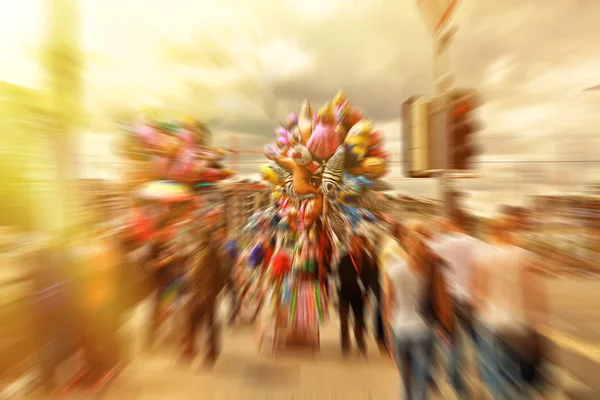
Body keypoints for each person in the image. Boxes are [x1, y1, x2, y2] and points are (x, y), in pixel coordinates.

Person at [472, 211, 548, 399]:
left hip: (491, 323)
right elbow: (535, 294)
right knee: (521, 379)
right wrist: (538, 321)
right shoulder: (524, 257)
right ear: (512, 232)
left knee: (499, 376)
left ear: (491, 232)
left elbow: (477, 294)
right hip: (519, 324)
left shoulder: (481, 256)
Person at [382, 221, 454, 400]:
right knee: (421, 383)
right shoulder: (432, 269)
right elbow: (442, 304)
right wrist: (447, 330)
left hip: (400, 330)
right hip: (423, 330)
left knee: (405, 384)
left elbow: (387, 306)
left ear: (405, 241)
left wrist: (389, 338)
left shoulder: (393, 267)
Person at [428, 215, 483, 397]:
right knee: (478, 343)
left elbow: (424, 253)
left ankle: (457, 384)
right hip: (470, 299)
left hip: (449, 298)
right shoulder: (477, 244)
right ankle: (484, 379)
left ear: (452, 223)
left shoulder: (444, 242)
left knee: (452, 343)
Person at [182, 224, 229, 367]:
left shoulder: (203, 252)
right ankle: (210, 351)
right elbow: (223, 275)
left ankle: (194, 350)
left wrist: (197, 288)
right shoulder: (215, 252)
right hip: (210, 293)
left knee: (194, 320)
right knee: (209, 322)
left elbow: (194, 274)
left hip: (203, 293)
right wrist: (216, 290)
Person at [336, 232, 375, 357]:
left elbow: (370, 277)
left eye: (359, 242)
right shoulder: (344, 258)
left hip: (360, 295)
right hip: (345, 293)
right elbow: (339, 275)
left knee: (359, 320)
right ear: (350, 243)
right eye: (354, 242)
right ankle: (345, 344)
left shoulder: (367, 259)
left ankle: (360, 342)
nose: (356, 244)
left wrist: (366, 294)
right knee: (344, 319)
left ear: (362, 244)